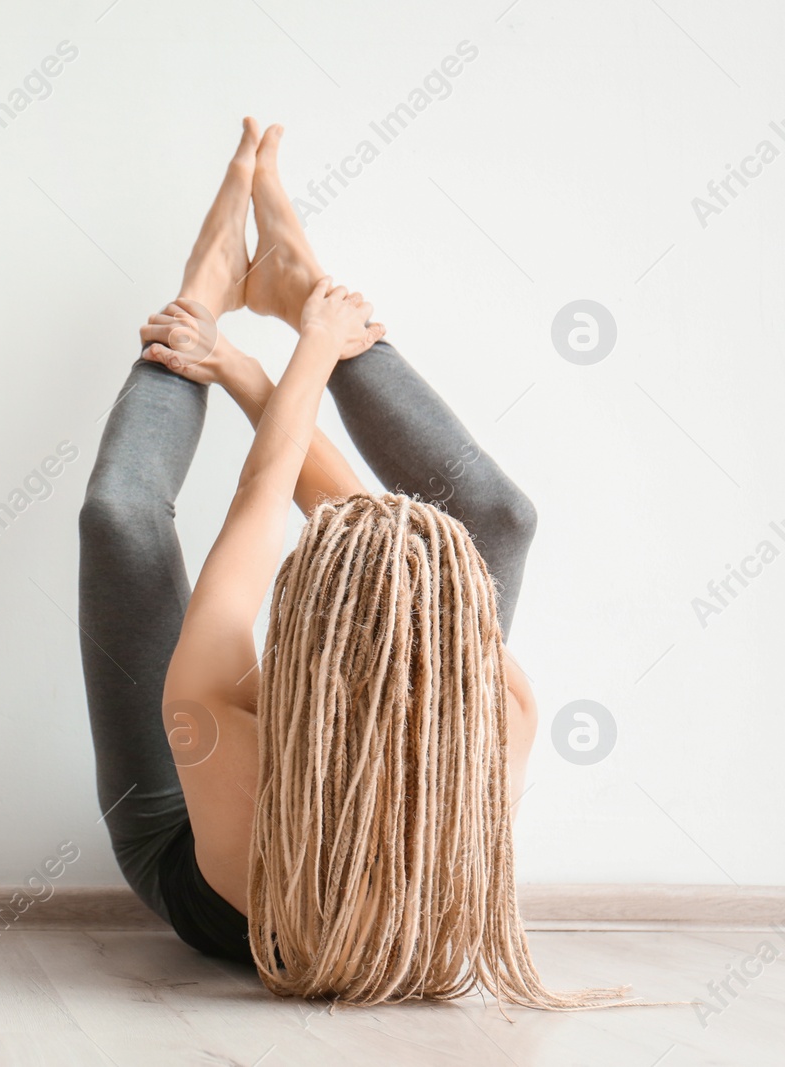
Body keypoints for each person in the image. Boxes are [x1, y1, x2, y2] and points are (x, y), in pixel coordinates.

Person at [78, 118, 617, 1007]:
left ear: (307, 612)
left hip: (190, 845)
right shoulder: (503, 707)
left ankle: (200, 298)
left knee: (120, 520)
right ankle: (299, 285)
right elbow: (390, 553)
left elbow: (264, 494)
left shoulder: (217, 718)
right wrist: (286, 353)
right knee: (501, 519)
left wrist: (281, 360)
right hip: (313, 843)